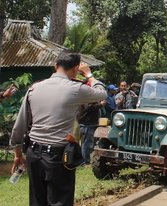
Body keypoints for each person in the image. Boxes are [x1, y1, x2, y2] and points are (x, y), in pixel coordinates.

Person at [10, 52, 107, 206]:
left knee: (36, 201)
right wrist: (89, 74)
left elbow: (19, 125)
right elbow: (102, 93)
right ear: (76, 69)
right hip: (58, 157)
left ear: (56, 66)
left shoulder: (34, 88)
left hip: (33, 154)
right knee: (59, 201)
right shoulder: (76, 89)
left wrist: (17, 155)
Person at [78, 94, 106, 165]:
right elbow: (89, 107)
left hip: (87, 123)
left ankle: (83, 160)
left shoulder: (87, 97)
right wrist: (100, 104)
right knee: (87, 144)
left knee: (86, 143)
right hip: (87, 124)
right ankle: (85, 162)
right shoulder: (87, 98)